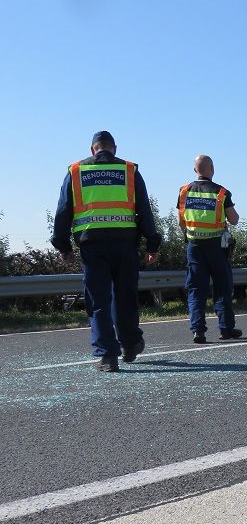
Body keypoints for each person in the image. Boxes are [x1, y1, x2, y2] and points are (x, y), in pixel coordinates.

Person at [52, 131, 161, 372]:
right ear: (114, 148)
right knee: (126, 297)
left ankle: (107, 356)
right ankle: (130, 345)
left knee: (98, 300)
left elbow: (63, 211)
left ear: (93, 149)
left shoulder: (76, 171)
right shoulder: (130, 171)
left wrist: (63, 246)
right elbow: (144, 210)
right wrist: (152, 244)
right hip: (125, 244)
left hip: (92, 246)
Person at [177, 155, 241, 343]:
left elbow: (181, 222)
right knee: (222, 287)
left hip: (194, 247)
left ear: (194, 169)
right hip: (217, 248)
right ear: (212, 169)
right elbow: (235, 220)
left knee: (196, 289)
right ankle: (226, 329)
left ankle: (198, 331)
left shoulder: (184, 191)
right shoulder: (221, 193)